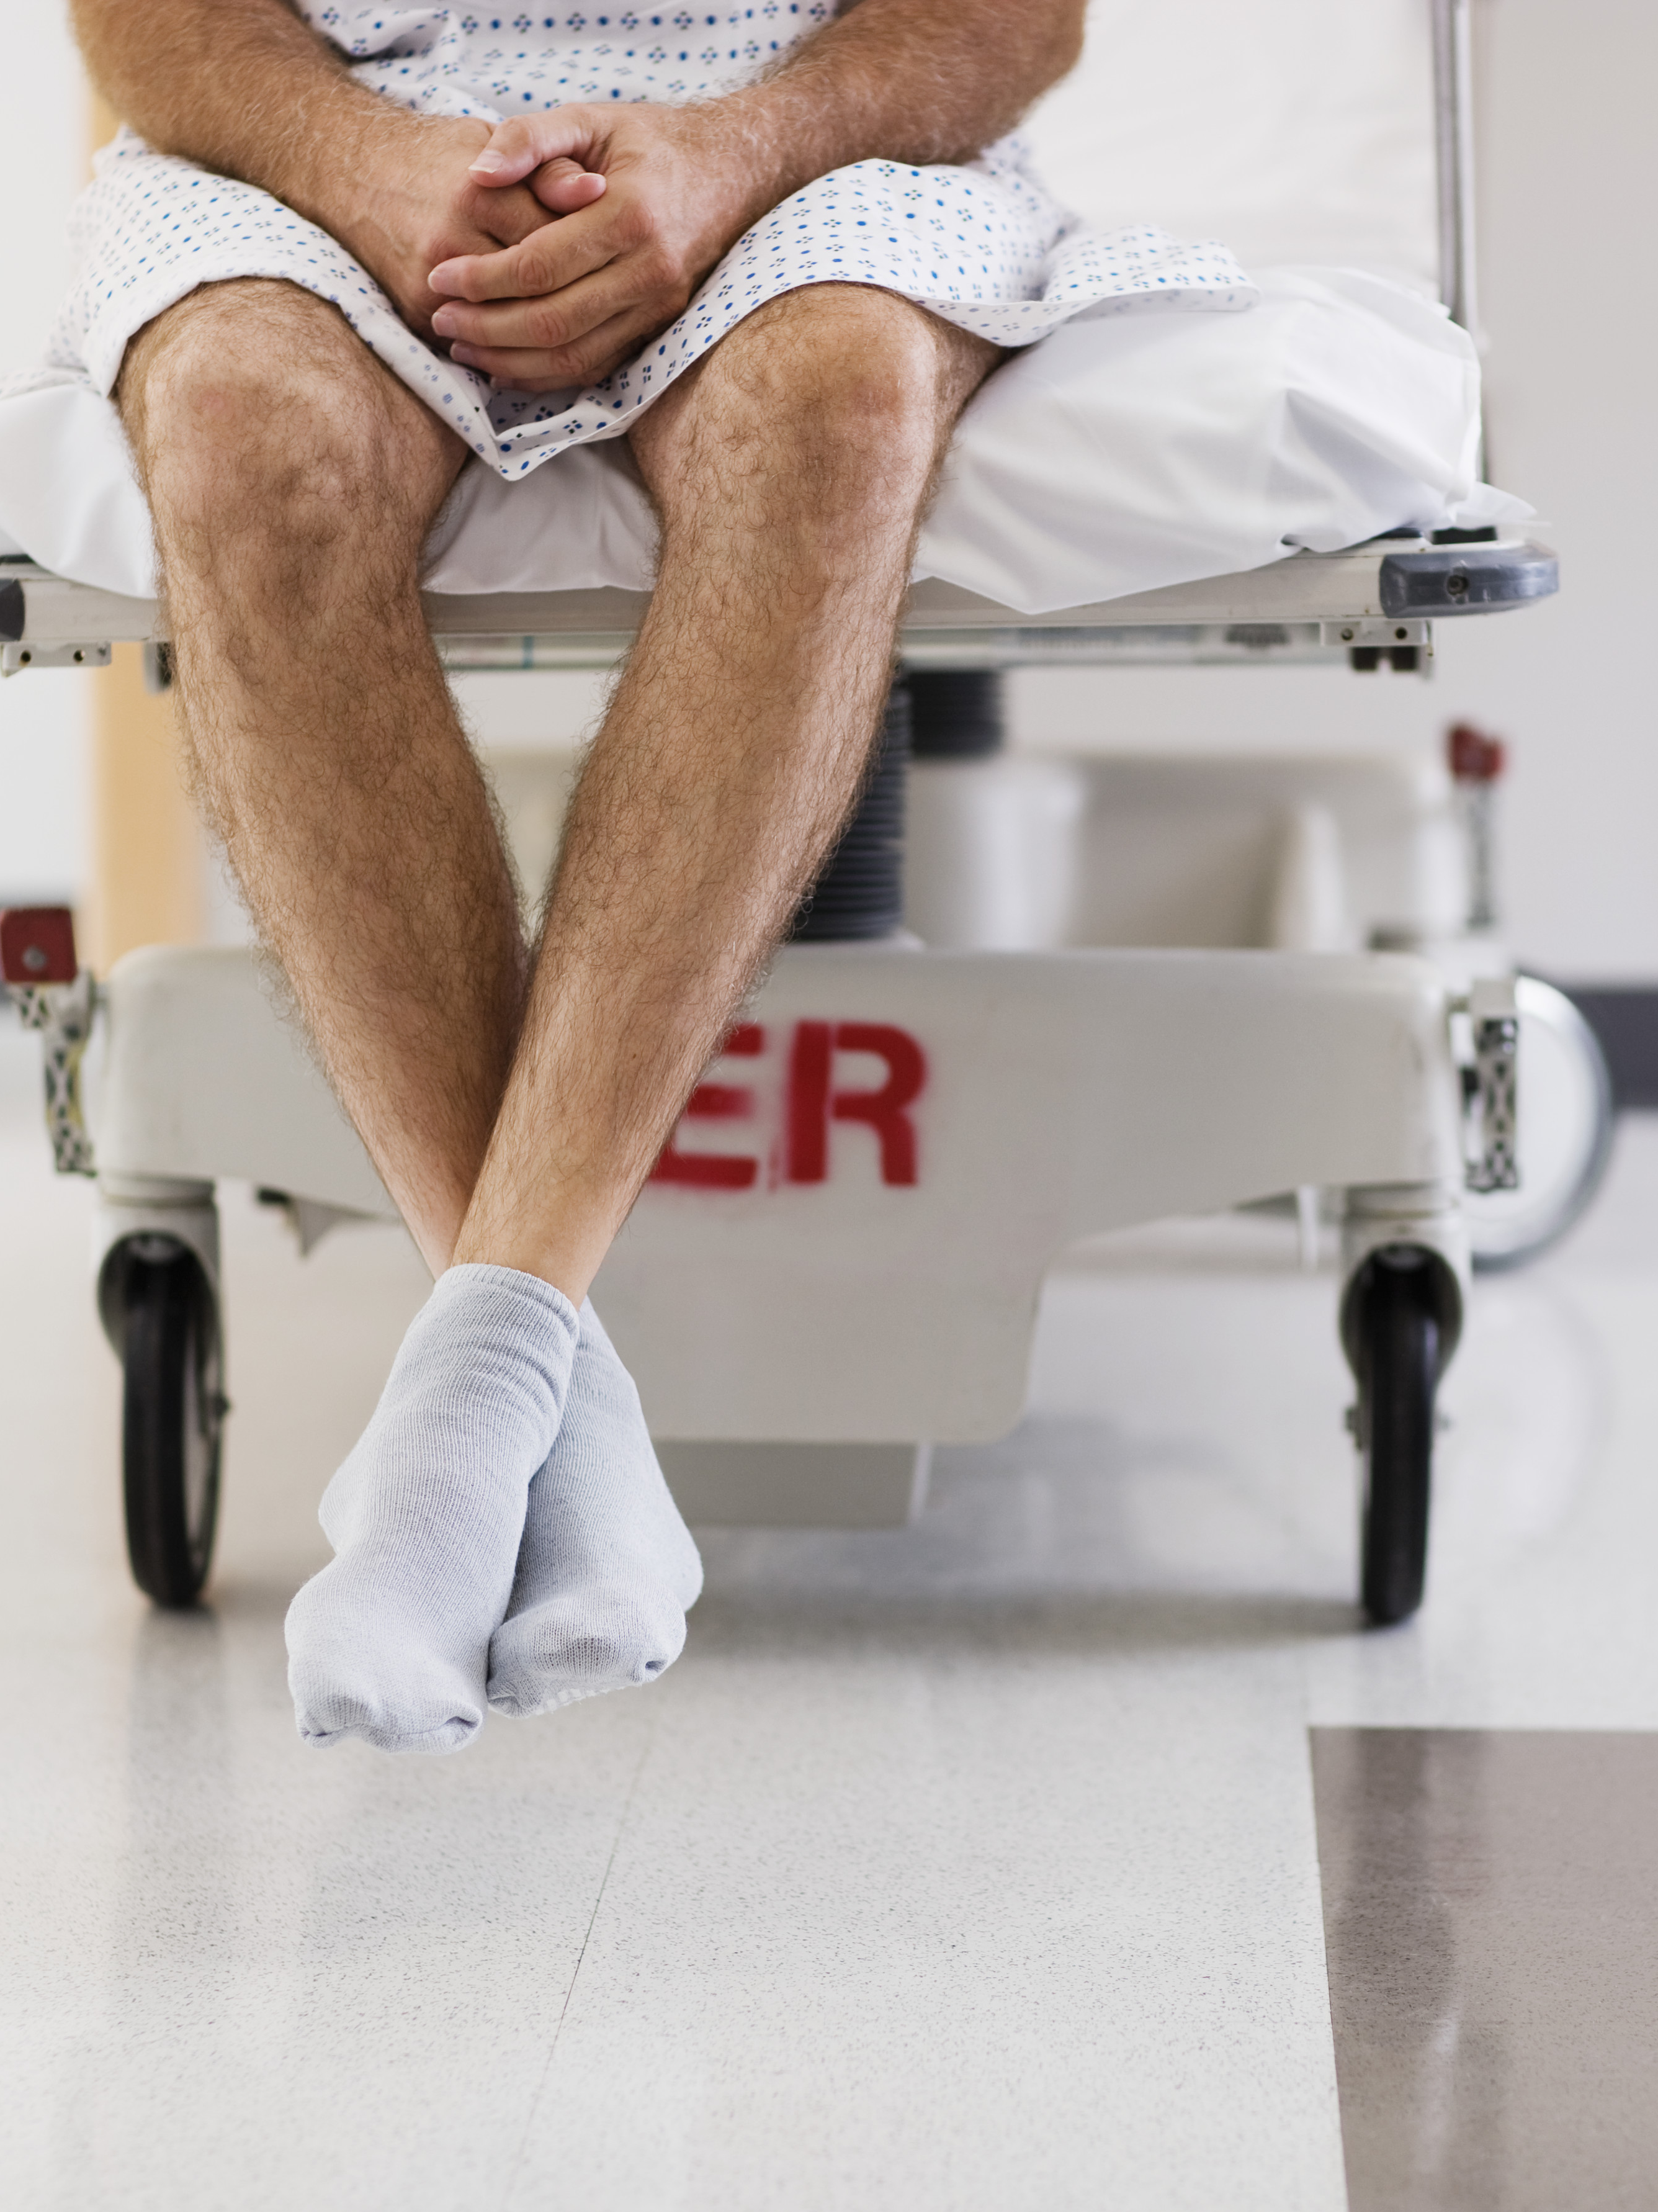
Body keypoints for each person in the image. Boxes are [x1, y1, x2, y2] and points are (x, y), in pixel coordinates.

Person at [67, 0, 1113, 1753]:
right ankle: (536, 1396)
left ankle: (467, 1428)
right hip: (349, 137)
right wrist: (373, 168)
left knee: (839, 396)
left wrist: (733, 152)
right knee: (244, 421)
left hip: (795, 142)